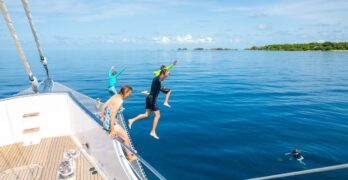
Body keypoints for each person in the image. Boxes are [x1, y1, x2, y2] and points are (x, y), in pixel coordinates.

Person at [129, 69, 170, 139]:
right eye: (165, 76)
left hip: (149, 98)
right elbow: (161, 77)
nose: (165, 78)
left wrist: (166, 72)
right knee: (157, 115)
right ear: (162, 75)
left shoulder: (155, 79)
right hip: (152, 100)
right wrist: (168, 69)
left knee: (146, 115)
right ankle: (152, 132)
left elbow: (157, 87)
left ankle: (132, 120)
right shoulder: (158, 80)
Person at [100, 85, 137, 162]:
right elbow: (113, 115)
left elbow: (104, 106)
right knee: (126, 138)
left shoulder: (115, 96)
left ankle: (129, 153)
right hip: (111, 124)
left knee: (123, 136)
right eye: (129, 94)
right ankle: (130, 157)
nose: (129, 95)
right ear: (125, 92)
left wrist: (102, 120)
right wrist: (112, 130)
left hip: (105, 121)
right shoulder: (120, 101)